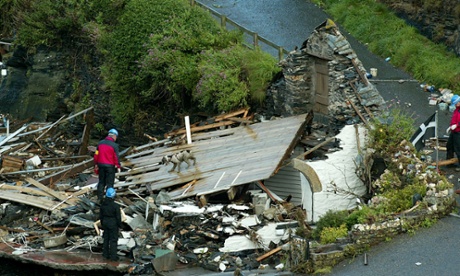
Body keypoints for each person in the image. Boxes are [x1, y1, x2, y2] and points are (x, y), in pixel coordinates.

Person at [94, 128, 121, 202]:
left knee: (101, 182)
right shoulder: (114, 145)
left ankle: (99, 198)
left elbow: (96, 155)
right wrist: (118, 165)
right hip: (110, 166)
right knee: (110, 183)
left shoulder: (100, 143)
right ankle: (109, 199)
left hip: (101, 165)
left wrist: (96, 164)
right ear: (114, 136)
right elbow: (116, 157)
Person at [100, 187, 122, 261]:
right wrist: (120, 225)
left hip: (105, 222)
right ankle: (113, 256)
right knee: (113, 240)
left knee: (106, 239)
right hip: (113, 223)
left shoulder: (103, 205)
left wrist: (102, 223)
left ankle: (105, 254)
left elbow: (101, 216)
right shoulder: (116, 206)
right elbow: (118, 217)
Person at [447, 95, 460, 171]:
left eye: (456, 104)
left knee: (458, 148)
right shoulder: (457, 109)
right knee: (449, 146)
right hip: (454, 131)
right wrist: (451, 126)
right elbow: (454, 118)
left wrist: (457, 125)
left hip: (459, 132)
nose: (455, 105)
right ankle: (449, 161)